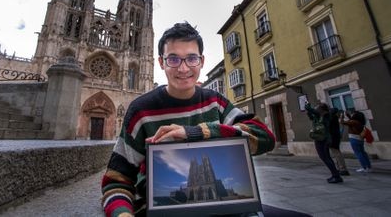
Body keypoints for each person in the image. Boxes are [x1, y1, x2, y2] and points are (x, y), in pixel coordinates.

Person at [100, 22, 276, 217]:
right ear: (161, 62)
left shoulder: (215, 102)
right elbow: (116, 182)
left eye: (191, 58)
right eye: (173, 59)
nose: (183, 69)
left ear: (201, 61)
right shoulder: (141, 111)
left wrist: (198, 132)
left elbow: (264, 137)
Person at [305, 102, 343, 183]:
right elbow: (312, 117)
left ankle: (336, 176)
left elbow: (311, 110)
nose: (315, 109)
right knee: (326, 157)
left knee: (325, 157)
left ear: (321, 109)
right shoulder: (322, 116)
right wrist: (309, 112)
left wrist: (307, 106)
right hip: (322, 138)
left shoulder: (325, 115)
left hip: (322, 139)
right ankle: (335, 174)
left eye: (317, 108)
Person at [329, 108, 350, 176]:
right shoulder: (334, 118)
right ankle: (340, 168)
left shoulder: (332, 118)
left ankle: (342, 169)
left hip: (333, 137)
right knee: (336, 153)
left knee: (336, 153)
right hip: (335, 137)